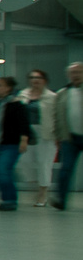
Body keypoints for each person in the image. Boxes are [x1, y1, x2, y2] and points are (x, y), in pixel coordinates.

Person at [0, 77, 31, 212]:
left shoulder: (17, 104)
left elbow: (24, 124)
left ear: (8, 88)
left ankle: (10, 200)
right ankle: (6, 198)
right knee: (2, 172)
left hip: (10, 144)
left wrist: (23, 140)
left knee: (3, 170)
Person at [23, 69, 60, 207]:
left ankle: (43, 194)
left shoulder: (52, 97)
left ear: (44, 80)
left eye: (38, 78)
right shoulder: (23, 95)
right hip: (27, 133)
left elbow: (57, 116)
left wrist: (58, 135)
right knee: (24, 161)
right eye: (32, 77)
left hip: (46, 133)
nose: (35, 80)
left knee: (44, 164)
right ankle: (35, 185)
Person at [55, 62, 83, 210]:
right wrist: (58, 137)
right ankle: (61, 200)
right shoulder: (62, 93)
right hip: (69, 138)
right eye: (73, 73)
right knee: (65, 169)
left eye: (79, 72)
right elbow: (57, 117)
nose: (76, 75)